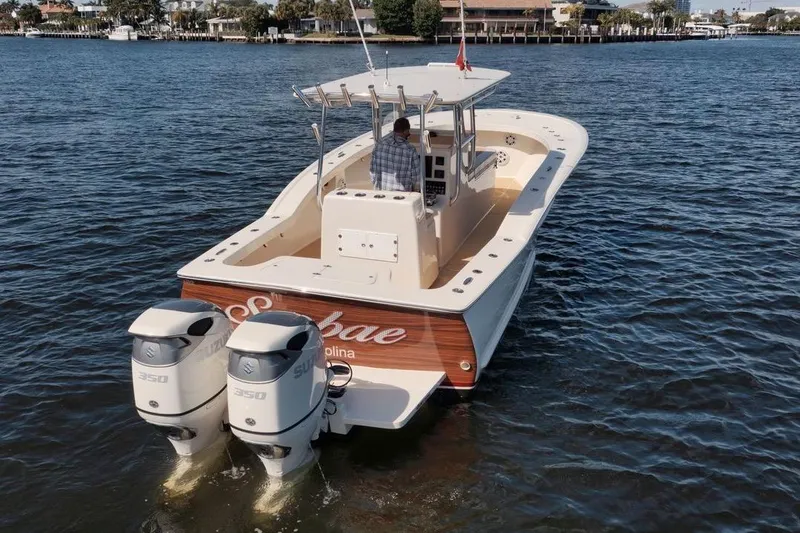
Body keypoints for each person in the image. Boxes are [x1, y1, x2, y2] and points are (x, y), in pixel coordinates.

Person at [369, 117, 420, 192]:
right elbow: (416, 178)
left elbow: (372, 171)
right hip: (402, 197)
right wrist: (416, 191)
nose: (409, 133)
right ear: (405, 131)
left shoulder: (379, 145)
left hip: (381, 195)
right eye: (408, 131)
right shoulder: (410, 150)